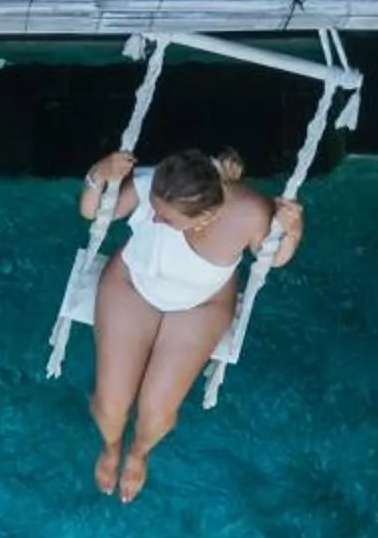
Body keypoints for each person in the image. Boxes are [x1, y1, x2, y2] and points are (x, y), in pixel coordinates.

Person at [80, 146, 306, 501]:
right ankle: (111, 447)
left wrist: (292, 231)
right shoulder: (153, 185)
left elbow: (272, 259)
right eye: (155, 210)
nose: (154, 220)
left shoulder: (247, 212)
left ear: (203, 219)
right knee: (110, 406)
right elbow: (93, 212)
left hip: (201, 304)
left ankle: (138, 453)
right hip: (133, 283)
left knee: (157, 413)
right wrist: (100, 172)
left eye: (166, 219)